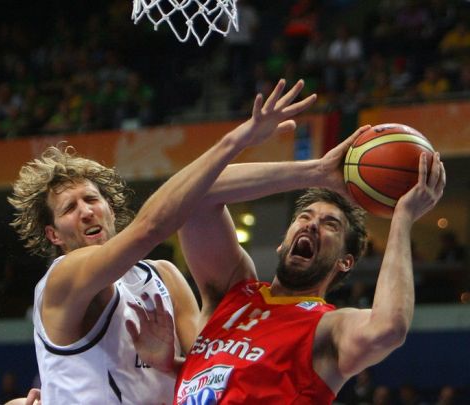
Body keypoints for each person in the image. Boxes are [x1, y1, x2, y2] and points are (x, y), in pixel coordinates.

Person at [8, 79, 317, 404]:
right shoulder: (62, 279)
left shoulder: (164, 278)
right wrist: (237, 140)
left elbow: (210, 372)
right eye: (70, 208)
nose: (86, 212)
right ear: (53, 235)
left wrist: (169, 364)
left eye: (91, 199)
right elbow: (150, 228)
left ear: (110, 210)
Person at [132, 120, 445, 402]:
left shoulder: (329, 328)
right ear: (283, 243)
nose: (311, 224)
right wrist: (315, 171)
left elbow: (388, 329)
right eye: (305, 217)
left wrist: (402, 219)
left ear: (345, 262)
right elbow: (197, 194)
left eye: (330, 225)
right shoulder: (234, 292)